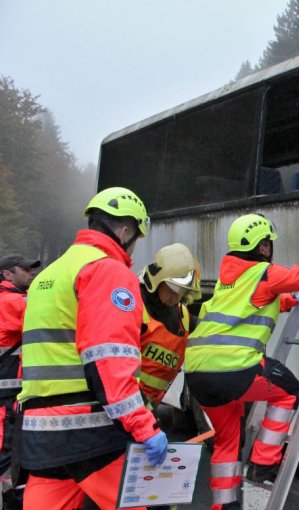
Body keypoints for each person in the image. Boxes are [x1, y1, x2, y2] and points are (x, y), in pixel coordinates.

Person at [184, 213, 299, 510]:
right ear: (263, 247)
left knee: (227, 442)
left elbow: (252, 304)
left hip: (197, 375)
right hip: (234, 370)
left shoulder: (228, 281)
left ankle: (225, 506)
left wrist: (290, 302)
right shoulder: (263, 272)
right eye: (269, 244)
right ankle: (262, 466)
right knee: (288, 390)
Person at [17, 187, 168, 510]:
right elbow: (109, 361)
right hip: (88, 431)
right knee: (152, 502)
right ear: (125, 230)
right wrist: (143, 425)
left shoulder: (49, 275)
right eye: (137, 236)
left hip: (39, 432)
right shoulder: (108, 270)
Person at [138, 243, 201, 408]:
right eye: (173, 288)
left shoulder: (183, 318)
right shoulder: (134, 308)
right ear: (158, 280)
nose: (175, 297)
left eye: (181, 291)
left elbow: (209, 330)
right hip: (127, 406)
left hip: (146, 407)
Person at [0, 254, 40, 507]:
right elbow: (45, 313)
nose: (31, 273)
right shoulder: (12, 302)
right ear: (7, 274)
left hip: (10, 395)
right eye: (25, 269)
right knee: (7, 454)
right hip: (6, 396)